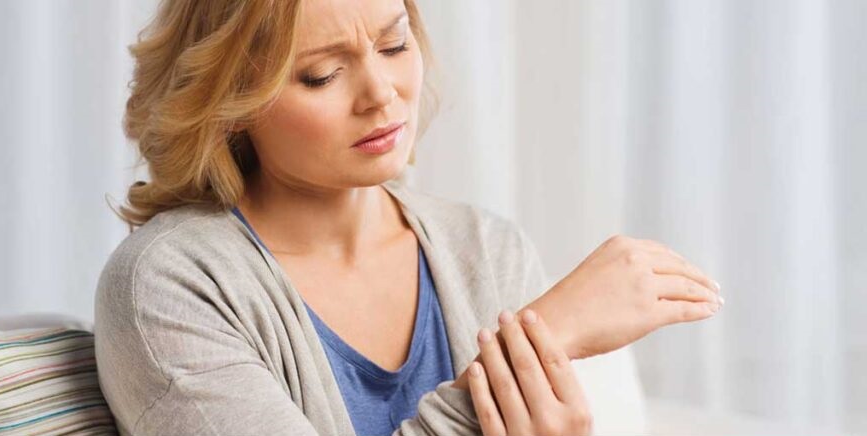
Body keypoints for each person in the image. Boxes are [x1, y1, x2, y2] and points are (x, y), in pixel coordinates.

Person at [94, 0, 725, 435]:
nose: (382, 93)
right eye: (321, 75)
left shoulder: (489, 248)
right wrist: (545, 337)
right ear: (230, 102)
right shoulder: (169, 287)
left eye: (394, 43)